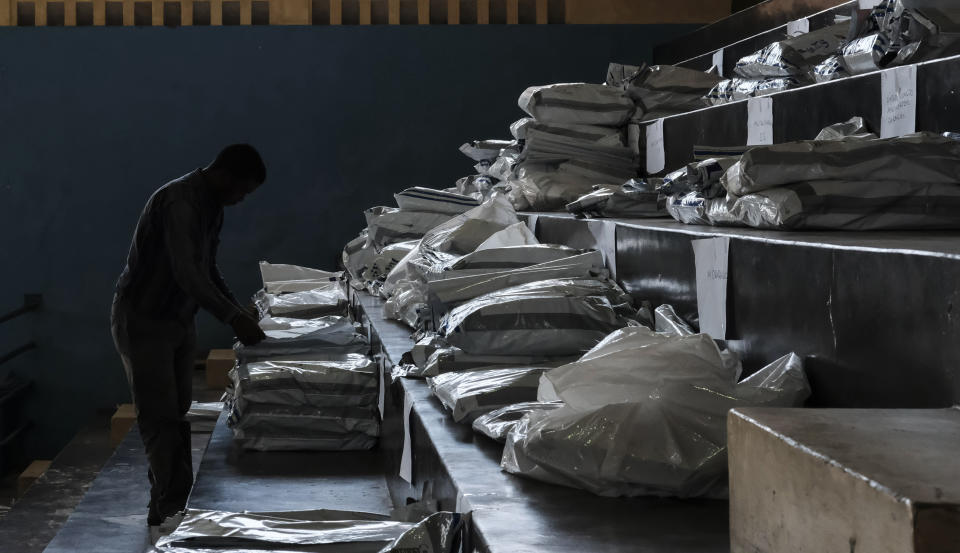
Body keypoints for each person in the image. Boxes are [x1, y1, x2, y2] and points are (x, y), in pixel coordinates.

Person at [110, 144, 267, 529]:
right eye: (242, 191)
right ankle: (173, 508)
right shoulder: (179, 203)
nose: (241, 201)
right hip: (144, 319)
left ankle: (166, 503)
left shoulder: (212, 205)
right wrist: (233, 318)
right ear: (225, 176)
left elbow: (208, 267)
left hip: (178, 318)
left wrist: (239, 310)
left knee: (176, 413)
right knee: (159, 417)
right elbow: (187, 274)